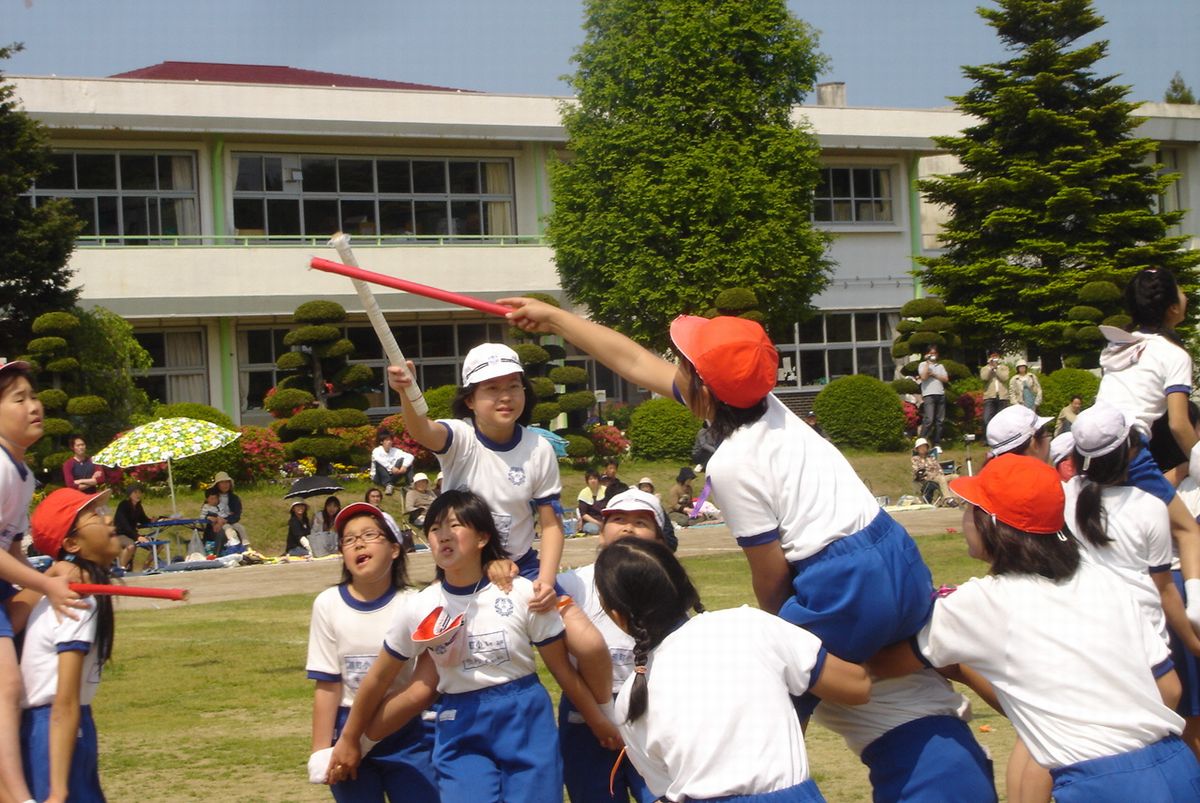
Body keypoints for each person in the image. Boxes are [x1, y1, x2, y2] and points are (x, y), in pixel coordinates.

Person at [502, 302, 935, 703]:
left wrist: (779, 633)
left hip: (842, 581)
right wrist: (556, 319)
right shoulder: (764, 402)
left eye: (683, 367)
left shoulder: (732, 463)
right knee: (912, 672)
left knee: (782, 692)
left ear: (704, 392)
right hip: (897, 551)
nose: (673, 370)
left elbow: (769, 574)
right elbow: (633, 361)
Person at [873, 454, 1200, 802]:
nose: (964, 517)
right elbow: (1170, 688)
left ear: (991, 524)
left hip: (1103, 785)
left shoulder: (984, 603)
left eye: (970, 509)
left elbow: (886, 664)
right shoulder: (1104, 579)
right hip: (1178, 767)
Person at [329, 491, 616, 802]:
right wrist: (349, 738)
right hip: (459, 721)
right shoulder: (420, 606)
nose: (443, 535)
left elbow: (562, 670)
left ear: (482, 537)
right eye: (435, 528)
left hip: (525, 716)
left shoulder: (519, 592)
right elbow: (378, 677)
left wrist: (598, 719)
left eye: (455, 525)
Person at [386, 341, 611, 699]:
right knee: (432, 682)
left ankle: (601, 716)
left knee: (589, 645)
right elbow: (423, 431)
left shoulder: (538, 448)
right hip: (468, 570)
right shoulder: (461, 438)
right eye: (491, 388)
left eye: (513, 386)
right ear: (470, 400)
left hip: (526, 567)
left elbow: (551, 524)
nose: (505, 396)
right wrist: (406, 393)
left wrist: (548, 582)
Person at [595, 536, 871, 801]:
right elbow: (857, 687)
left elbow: (666, 791)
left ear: (617, 616)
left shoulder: (631, 698)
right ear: (682, 583)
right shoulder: (748, 625)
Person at [306, 501, 438, 802]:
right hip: (347, 724)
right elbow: (327, 685)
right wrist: (321, 751)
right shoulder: (328, 604)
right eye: (349, 539)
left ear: (394, 549)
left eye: (369, 535)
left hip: (408, 730)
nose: (358, 544)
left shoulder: (414, 603)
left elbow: (422, 685)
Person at [0, 360, 82, 803]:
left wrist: (39, 579)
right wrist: (45, 584)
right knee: (7, 685)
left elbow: (9, 546)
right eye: (19, 399)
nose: (34, 406)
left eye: (34, 396)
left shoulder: (23, 473)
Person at [555, 489, 668, 803]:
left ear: (659, 539)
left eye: (641, 522)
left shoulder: (668, 587)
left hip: (652, 709)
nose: (628, 528)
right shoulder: (573, 584)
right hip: (585, 711)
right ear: (601, 532)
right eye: (618, 519)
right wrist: (597, 717)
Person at [16, 488, 121, 802]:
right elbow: (64, 703)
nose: (109, 518)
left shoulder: (74, 593)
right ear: (72, 544)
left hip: (68, 727)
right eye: (94, 514)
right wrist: (58, 791)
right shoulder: (74, 602)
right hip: (53, 731)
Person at [985, 404, 1053, 463]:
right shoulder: (1047, 477)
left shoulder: (987, 475)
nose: (1049, 441)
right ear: (1034, 445)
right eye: (1047, 435)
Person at [114, 482, 154, 572]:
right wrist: (137, 537)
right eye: (135, 492)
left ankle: (145, 567)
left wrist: (152, 520)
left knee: (159, 545)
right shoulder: (123, 505)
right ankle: (120, 569)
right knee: (131, 546)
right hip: (120, 534)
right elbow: (124, 526)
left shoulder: (138, 506)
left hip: (133, 535)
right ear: (130, 494)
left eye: (140, 492)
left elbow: (143, 519)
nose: (138, 495)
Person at [917, 346, 949, 450]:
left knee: (940, 420)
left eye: (934, 353)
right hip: (928, 394)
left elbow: (945, 379)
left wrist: (934, 374)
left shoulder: (940, 366)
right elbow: (923, 377)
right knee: (929, 419)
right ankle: (921, 441)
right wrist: (927, 363)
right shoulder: (922, 365)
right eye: (931, 353)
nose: (933, 355)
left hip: (940, 394)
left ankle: (937, 443)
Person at [209, 471, 248, 551]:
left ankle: (246, 547)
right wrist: (217, 519)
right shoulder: (212, 497)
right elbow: (208, 511)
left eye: (227, 482)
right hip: (217, 523)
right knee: (228, 529)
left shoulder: (234, 498)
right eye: (222, 483)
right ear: (217, 485)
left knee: (241, 528)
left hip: (230, 520)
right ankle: (234, 547)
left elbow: (237, 514)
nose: (225, 485)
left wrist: (226, 519)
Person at [364, 488, 412, 552]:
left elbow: (394, 529)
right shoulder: (363, 512)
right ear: (368, 498)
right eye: (373, 497)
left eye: (378, 496)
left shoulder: (384, 514)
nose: (376, 499)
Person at [911, 437, 953, 506]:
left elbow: (939, 468)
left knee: (955, 477)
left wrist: (940, 473)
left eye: (924, 446)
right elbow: (918, 471)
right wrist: (933, 475)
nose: (923, 448)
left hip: (939, 477)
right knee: (941, 479)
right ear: (917, 449)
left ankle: (954, 498)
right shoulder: (915, 459)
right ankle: (948, 499)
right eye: (921, 447)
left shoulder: (931, 457)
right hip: (928, 479)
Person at [979, 349, 1010, 431]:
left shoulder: (1004, 367)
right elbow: (984, 378)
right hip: (989, 396)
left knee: (1002, 419)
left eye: (996, 356)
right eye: (992, 356)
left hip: (1002, 396)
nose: (994, 358)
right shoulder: (985, 368)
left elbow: (1005, 378)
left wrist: (997, 368)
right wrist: (990, 368)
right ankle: (987, 438)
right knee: (987, 418)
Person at [576, 470, 605, 535]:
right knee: (594, 529)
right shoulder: (583, 493)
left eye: (595, 478)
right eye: (590, 479)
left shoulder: (605, 490)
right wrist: (598, 523)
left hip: (604, 520)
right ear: (587, 481)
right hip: (590, 522)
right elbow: (583, 514)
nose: (593, 481)